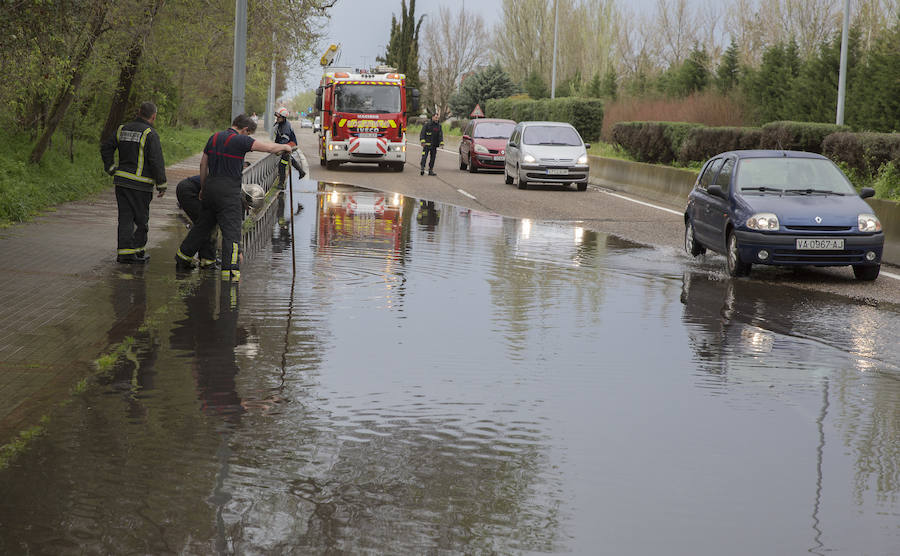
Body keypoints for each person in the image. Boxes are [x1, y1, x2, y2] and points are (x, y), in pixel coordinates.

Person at [175, 114, 291, 281]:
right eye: (249, 134)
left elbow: (203, 164)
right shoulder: (240, 140)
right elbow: (267, 148)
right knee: (231, 232)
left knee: (203, 226)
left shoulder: (214, 138)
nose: (248, 137)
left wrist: (203, 187)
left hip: (210, 189)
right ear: (244, 130)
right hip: (228, 192)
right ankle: (230, 272)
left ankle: (183, 257)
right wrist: (285, 147)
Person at [100, 101, 167, 264]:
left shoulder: (122, 129)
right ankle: (137, 252)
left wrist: (110, 167)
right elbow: (156, 160)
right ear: (153, 116)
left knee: (125, 218)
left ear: (138, 112)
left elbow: (106, 147)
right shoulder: (150, 133)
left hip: (122, 183)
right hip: (140, 184)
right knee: (141, 219)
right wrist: (161, 183)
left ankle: (124, 253)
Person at [175, 175, 218, 268]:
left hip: (189, 189)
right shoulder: (230, 194)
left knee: (207, 225)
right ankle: (183, 257)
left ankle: (207, 260)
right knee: (204, 225)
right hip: (189, 190)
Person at [273, 107, 305, 188]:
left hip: (290, 144)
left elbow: (284, 140)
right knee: (288, 159)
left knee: (282, 164)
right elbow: (278, 137)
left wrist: (278, 147)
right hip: (288, 143)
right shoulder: (281, 124)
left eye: (279, 117)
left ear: (283, 118)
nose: (277, 118)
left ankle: (281, 184)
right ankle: (301, 172)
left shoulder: (285, 127)